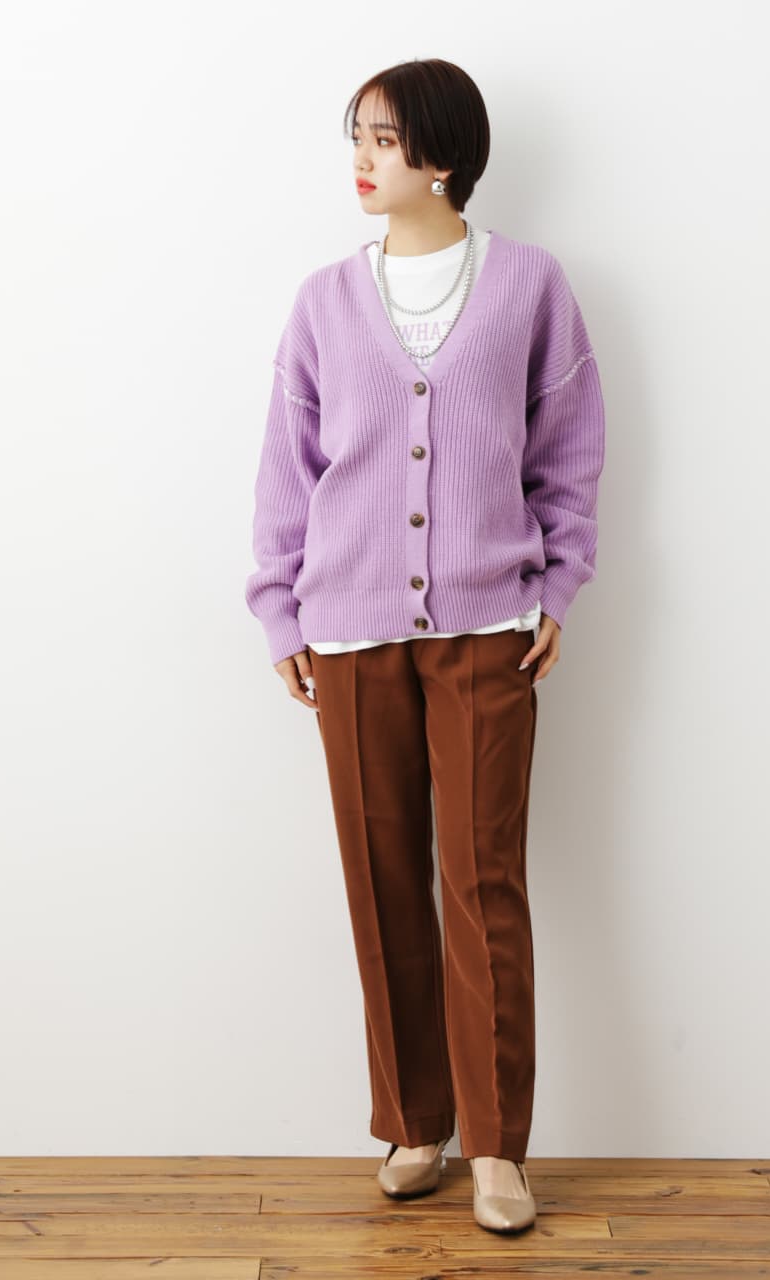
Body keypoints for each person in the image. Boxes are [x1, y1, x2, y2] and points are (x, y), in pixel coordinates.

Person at [245, 57, 606, 1234]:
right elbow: (287, 466)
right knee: (382, 874)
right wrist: (278, 607)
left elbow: (568, 450)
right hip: (347, 628)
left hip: (488, 626)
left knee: (481, 878)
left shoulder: (530, 286)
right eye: (356, 135)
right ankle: (416, 1122)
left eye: (385, 140)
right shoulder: (321, 301)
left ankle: (497, 1145)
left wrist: (558, 585)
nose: (361, 159)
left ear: (442, 155)